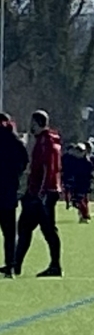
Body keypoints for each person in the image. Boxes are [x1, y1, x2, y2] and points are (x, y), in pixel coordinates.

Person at [16, 110, 63, 278]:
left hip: (42, 193)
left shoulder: (45, 141)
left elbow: (45, 168)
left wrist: (39, 193)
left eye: (32, 123)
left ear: (37, 123)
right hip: (45, 191)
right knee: (31, 227)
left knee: (40, 229)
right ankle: (16, 264)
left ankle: (54, 265)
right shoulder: (50, 140)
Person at [0, 115, 25, 279]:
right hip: (9, 191)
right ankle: (10, 266)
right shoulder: (15, 141)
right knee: (9, 233)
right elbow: (24, 161)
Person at [62, 138, 94, 222]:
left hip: (84, 183)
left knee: (80, 199)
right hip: (75, 182)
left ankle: (85, 216)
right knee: (76, 200)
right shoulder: (73, 160)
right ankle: (83, 214)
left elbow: (91, 173)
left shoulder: (88, 161)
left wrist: (91, 182)